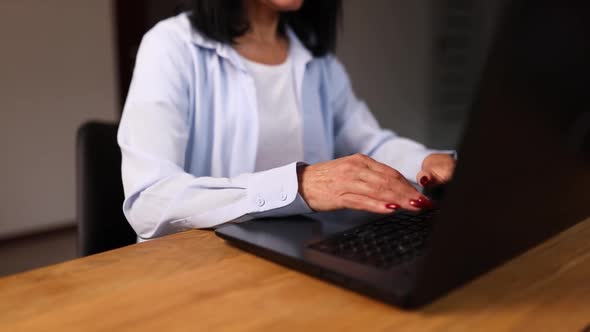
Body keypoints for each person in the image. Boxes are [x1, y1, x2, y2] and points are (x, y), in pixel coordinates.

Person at [118, 0, 456, 240]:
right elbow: (150, 201)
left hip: (295, 256)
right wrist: (299, 185)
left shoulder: (318, 62)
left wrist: (426, 160)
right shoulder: (171, 46)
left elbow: (369, 143)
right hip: (198, 267)